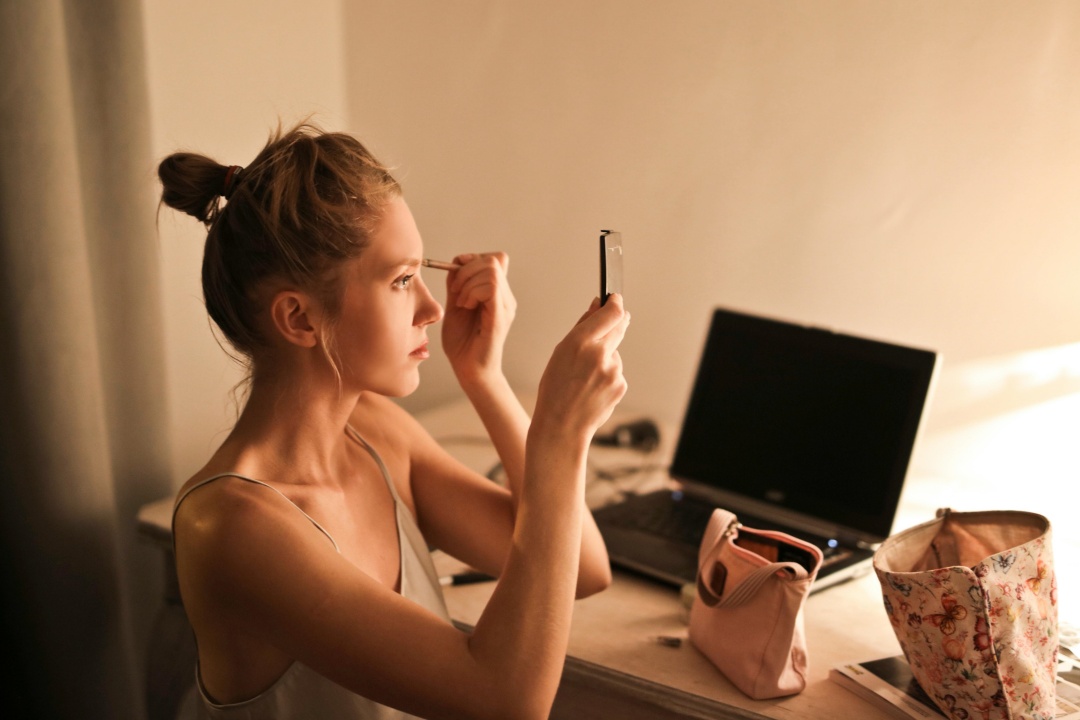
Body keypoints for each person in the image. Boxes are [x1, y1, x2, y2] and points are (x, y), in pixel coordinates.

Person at [158, 120, 629, 720]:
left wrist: (484, 377)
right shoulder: (233, 526)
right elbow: (505, 701)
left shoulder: (377, 432)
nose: (433, 307)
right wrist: (558, 437)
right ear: (299, 319)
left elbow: (584, 568)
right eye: (402, 280)